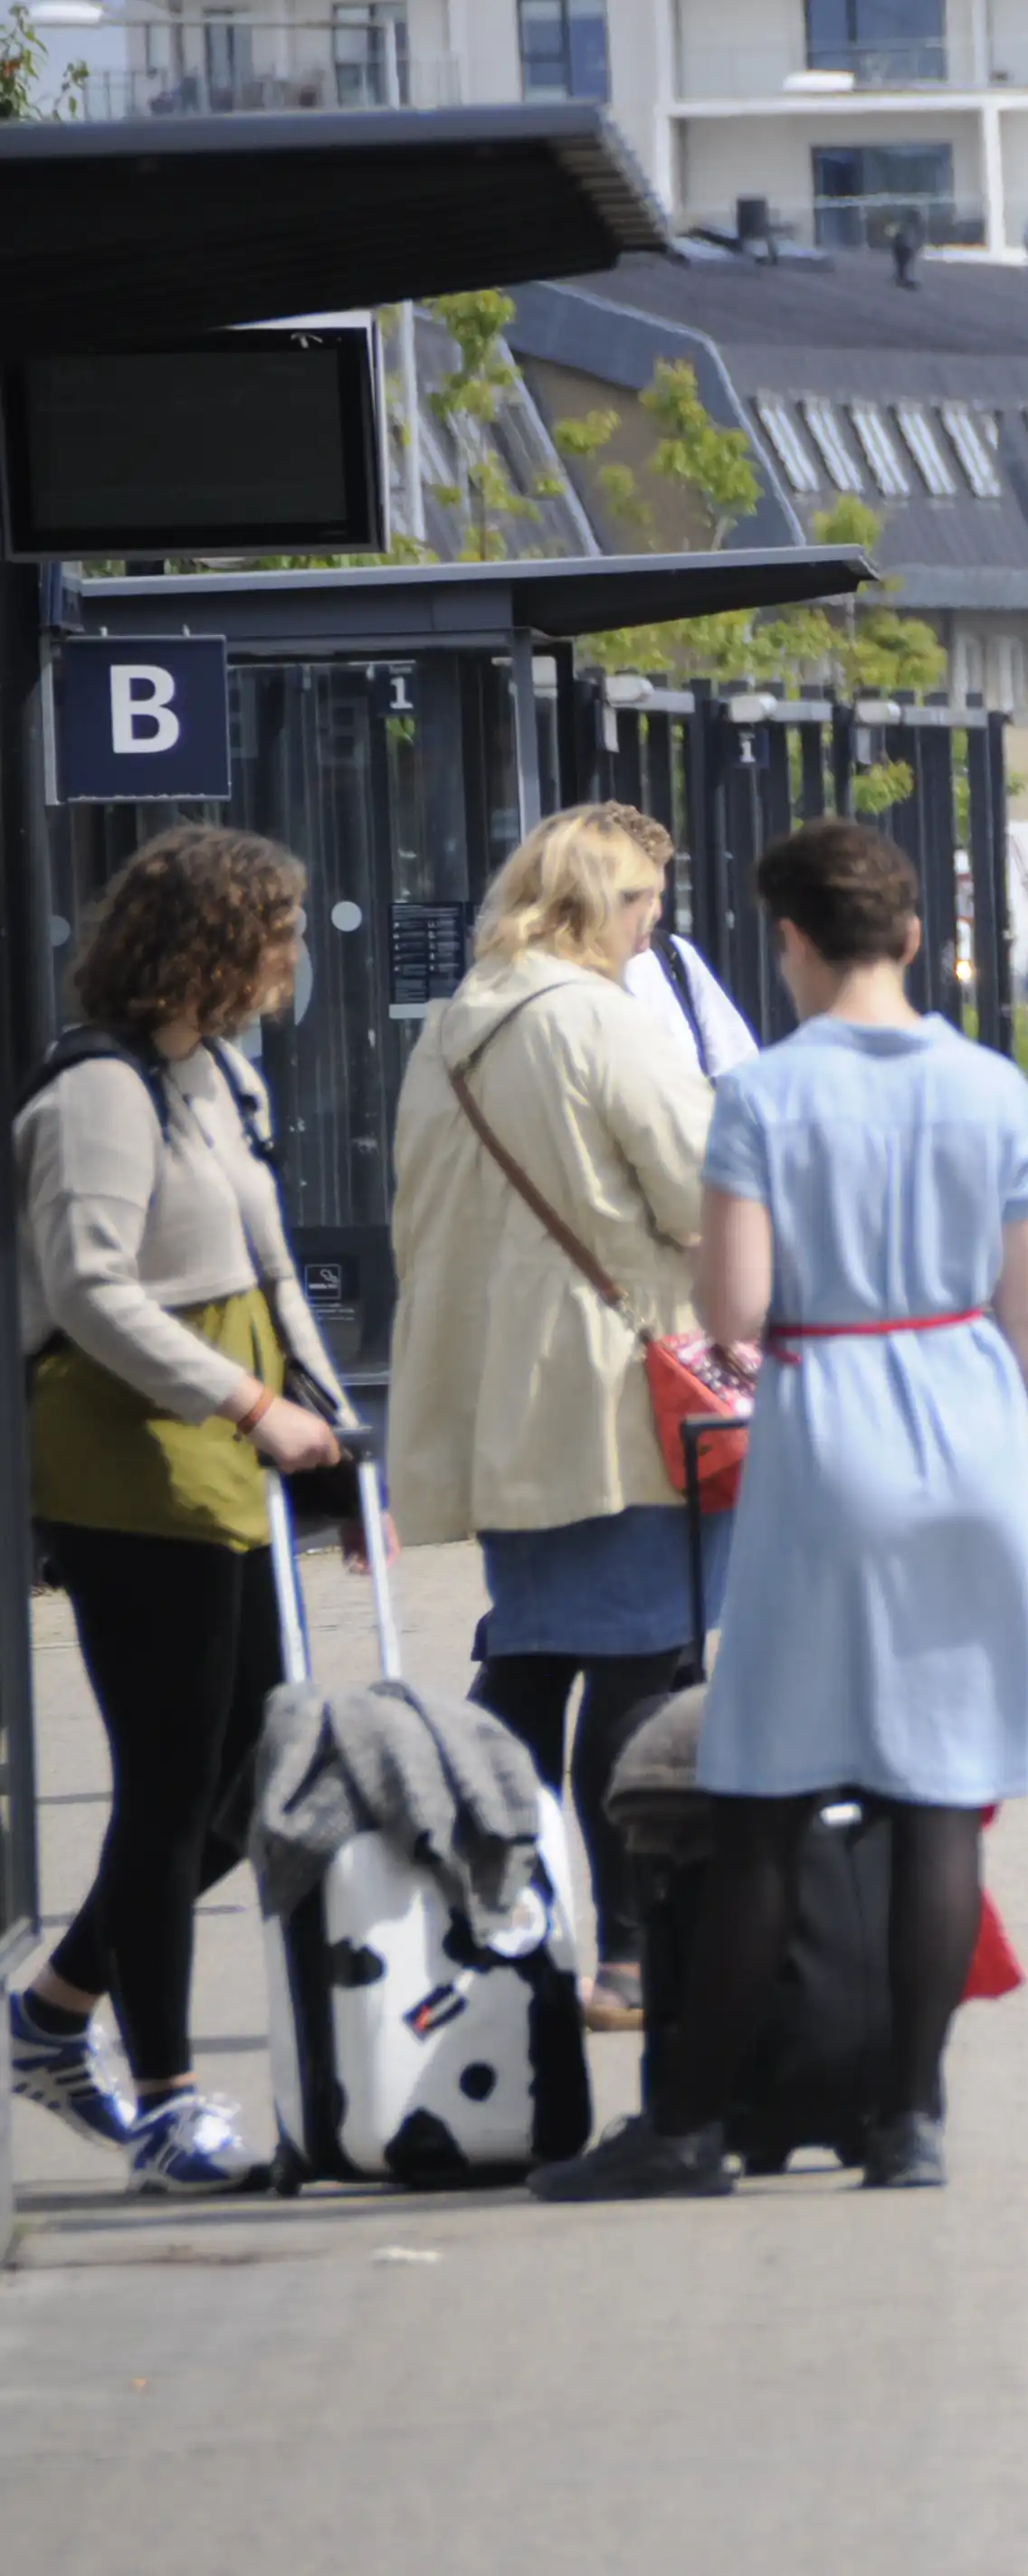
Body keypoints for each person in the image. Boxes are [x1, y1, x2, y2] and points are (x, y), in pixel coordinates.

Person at [532, 819, 1028, 2200]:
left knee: (768, 1799)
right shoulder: (995, 1088)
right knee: (942, 1796)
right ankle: (907, 2124)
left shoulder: (768, 1098)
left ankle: (696, 2128)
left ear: (792, 942)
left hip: (829, 1423)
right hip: (969, 1429)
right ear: (908, 936)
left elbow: (734, 1313)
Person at [6, 824, 354, 2193]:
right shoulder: (99, 1094)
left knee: (241, 1782)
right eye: (278, 932)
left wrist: (322, 1416)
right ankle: (164, 2099)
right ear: (215, 944)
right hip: (138, 1463)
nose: (293, 959)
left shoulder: (202, 1074)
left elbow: (264, 1254)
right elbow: (91, 1288)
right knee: (166, 1791)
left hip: (217, 1452)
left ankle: (51, 2013)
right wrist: (251, 1404)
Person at [389, 804, 723, 2032]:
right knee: (638, 1667)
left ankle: (467, 1905)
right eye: (644, 904)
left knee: (530, 1656)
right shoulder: (598, 1019)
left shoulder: (452, 1027)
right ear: (602, 906)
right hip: (612, 1388)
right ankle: (629, 1952)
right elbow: (701, 1189)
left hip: (495, 1389)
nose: (656, 929)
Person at [604, 805, 761, 1080]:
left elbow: (737, 1072)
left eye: (659, 896)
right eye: (645, 897)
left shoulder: (674, 958)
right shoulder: (556, 978)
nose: (656, 912)